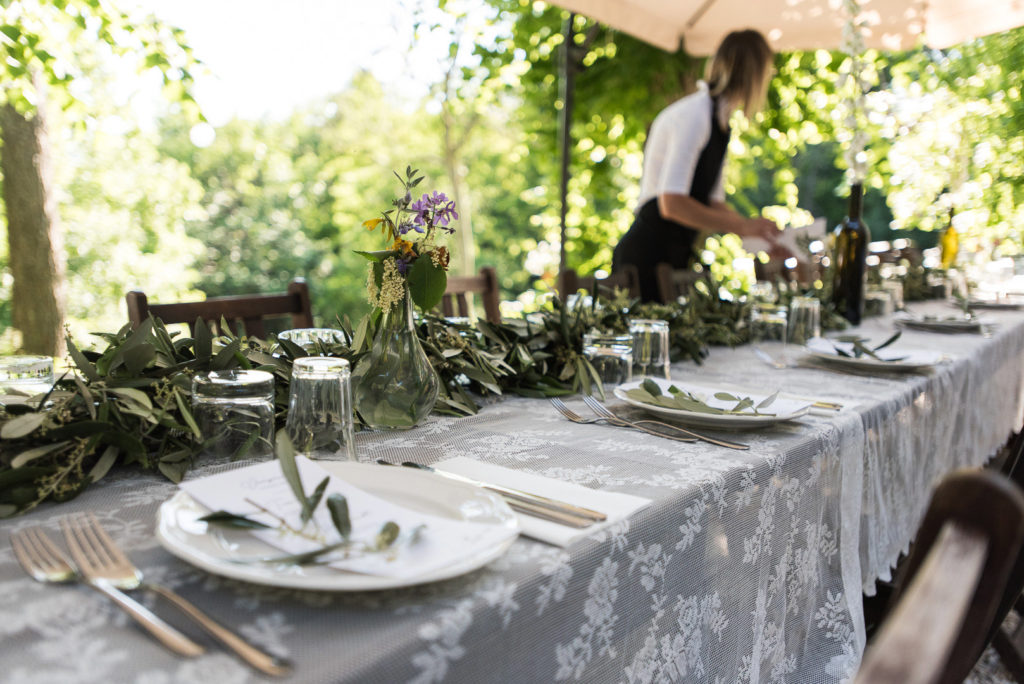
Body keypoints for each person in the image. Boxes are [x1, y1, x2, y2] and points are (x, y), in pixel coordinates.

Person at [612, 29, 787, 302]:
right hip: (645, 258)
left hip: (673, 257)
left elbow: (714, 204)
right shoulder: (695, 115)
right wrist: (742, 227)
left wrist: (761, 235)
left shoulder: (720, 121)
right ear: (756, 72)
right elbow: (671, 203)